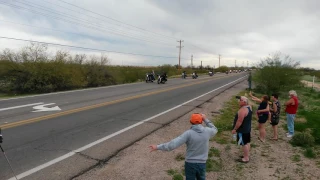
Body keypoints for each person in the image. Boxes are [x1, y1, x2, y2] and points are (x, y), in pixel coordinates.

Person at [149, 113, 218, 180]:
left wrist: (157, 147)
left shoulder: (188, 133)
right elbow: (215, 129)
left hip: (190, 163)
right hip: (202, 163)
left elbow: (173, 144)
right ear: (201, 121)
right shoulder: (207, 131)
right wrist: (206, 119)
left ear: (191, 121)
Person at [232, 96, 252, 163]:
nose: (238, 101)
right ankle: (246, 155)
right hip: (247, 128)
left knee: (244, 144)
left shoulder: (242, 110)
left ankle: (246, 158)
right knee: (247, 142)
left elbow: (239, 121)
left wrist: (235, 129)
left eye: (240, 100)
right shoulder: (249, 107)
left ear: (244, 102)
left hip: (242, 130)